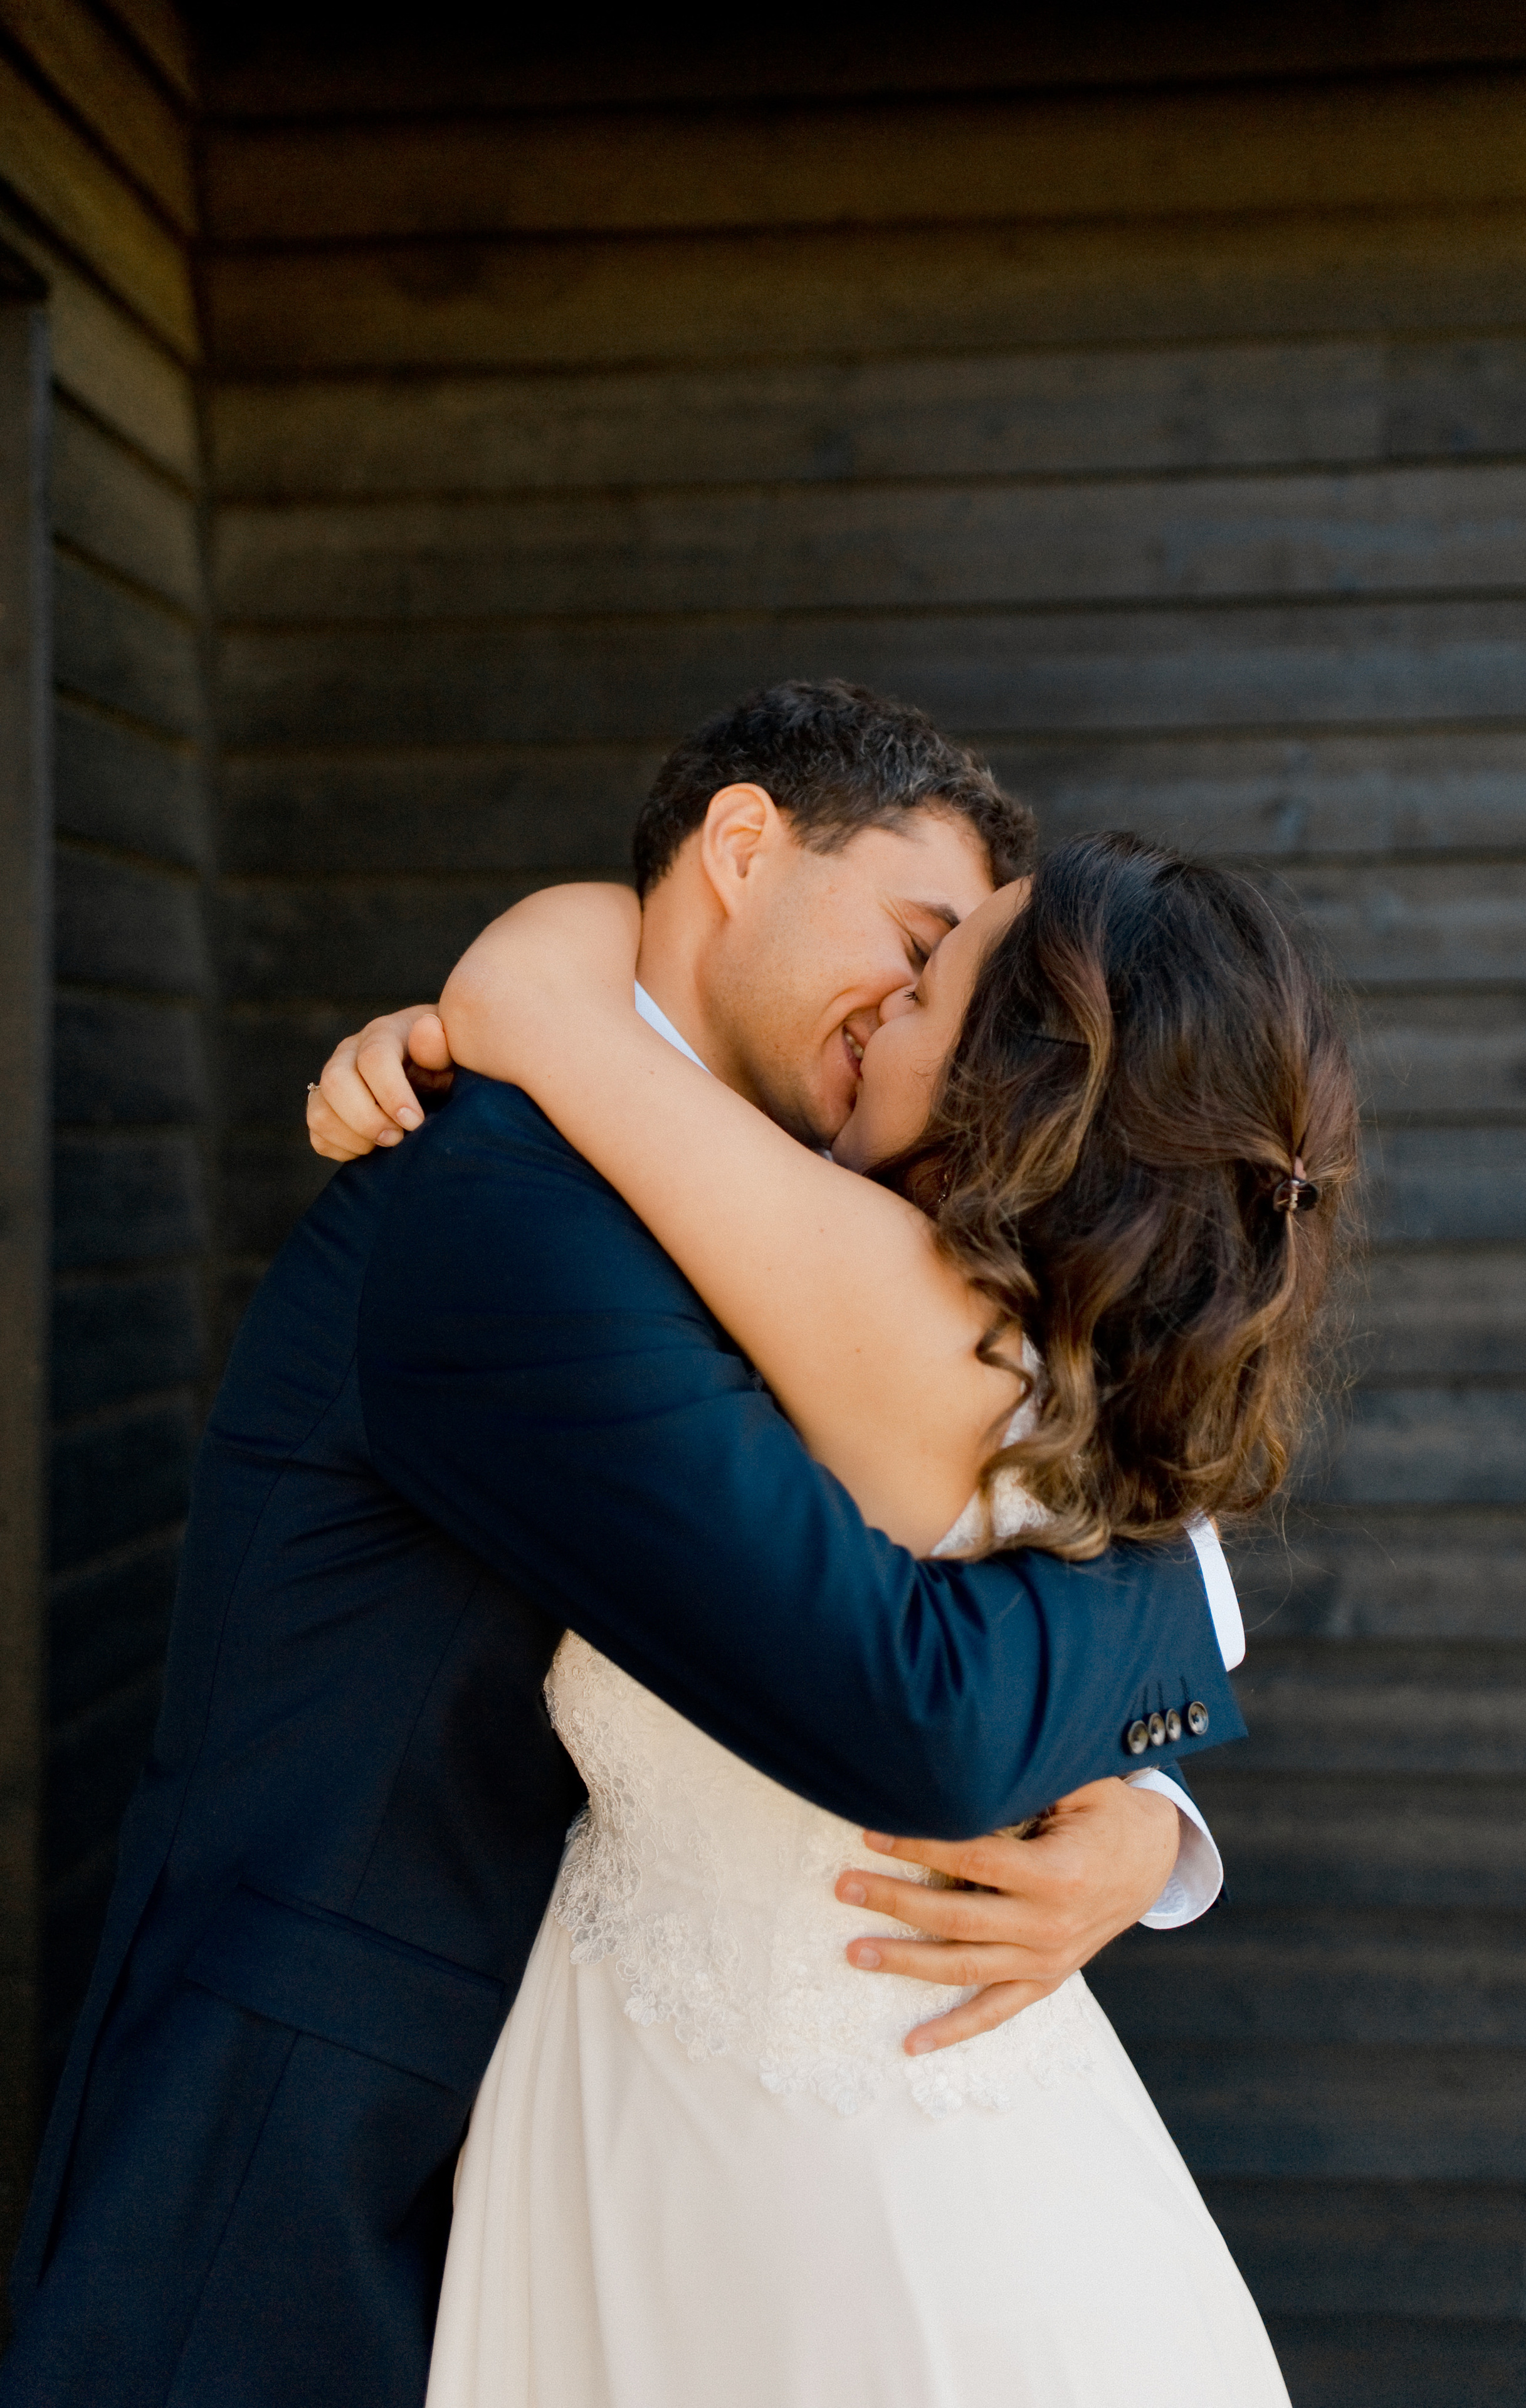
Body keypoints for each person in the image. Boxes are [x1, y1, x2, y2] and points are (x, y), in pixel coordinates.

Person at [3, 685, 1246, 2408]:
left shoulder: (789, 1210)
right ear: (744, 848)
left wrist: (1145, 1814)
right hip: (325, 2162)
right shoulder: (498, 1198)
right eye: (915, 940)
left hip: (648, 2160)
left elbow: (1074, 1468)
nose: (918, 1015)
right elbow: (914, 1706)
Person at [314, 816, 1355, 2402]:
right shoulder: (1088, 1351)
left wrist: (463, 1049)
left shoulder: (871, 1287)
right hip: (862, 2142)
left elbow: (538, 991)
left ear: (1013, 1081)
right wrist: (1146, 1819)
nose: (889, 998)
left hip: (791, 2199)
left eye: (933, 976)